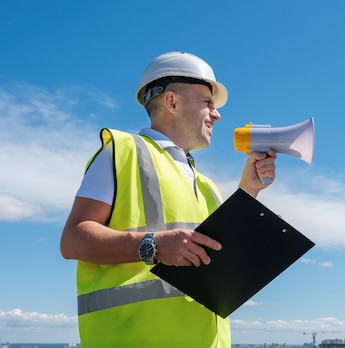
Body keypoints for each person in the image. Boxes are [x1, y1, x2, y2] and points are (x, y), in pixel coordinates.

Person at [60, 51, 277, 347]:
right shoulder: (123, 151)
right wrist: (155, 245)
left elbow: (214, 256)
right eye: (208, 103)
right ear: (172, 102)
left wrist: (247, 191)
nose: (217, 114)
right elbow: (73, 240)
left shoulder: (205, 184)